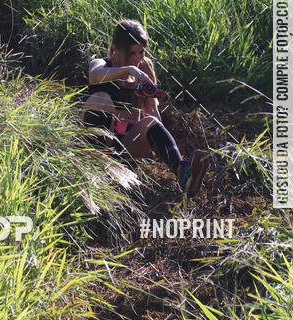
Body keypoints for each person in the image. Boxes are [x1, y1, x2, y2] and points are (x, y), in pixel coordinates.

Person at [81, 19, 209, 197]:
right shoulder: (100, 64)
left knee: (150, 122)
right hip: (99, 140)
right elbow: (94, 77)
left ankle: (182, 171)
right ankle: (97, 163)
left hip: (127, 141)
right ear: (115, 48)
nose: (138, 58)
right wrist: (128, 71)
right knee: (101, 99)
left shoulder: (144, 67)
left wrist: (157, 137)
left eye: (141, 52)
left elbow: (153, 114)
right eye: (132, 53)